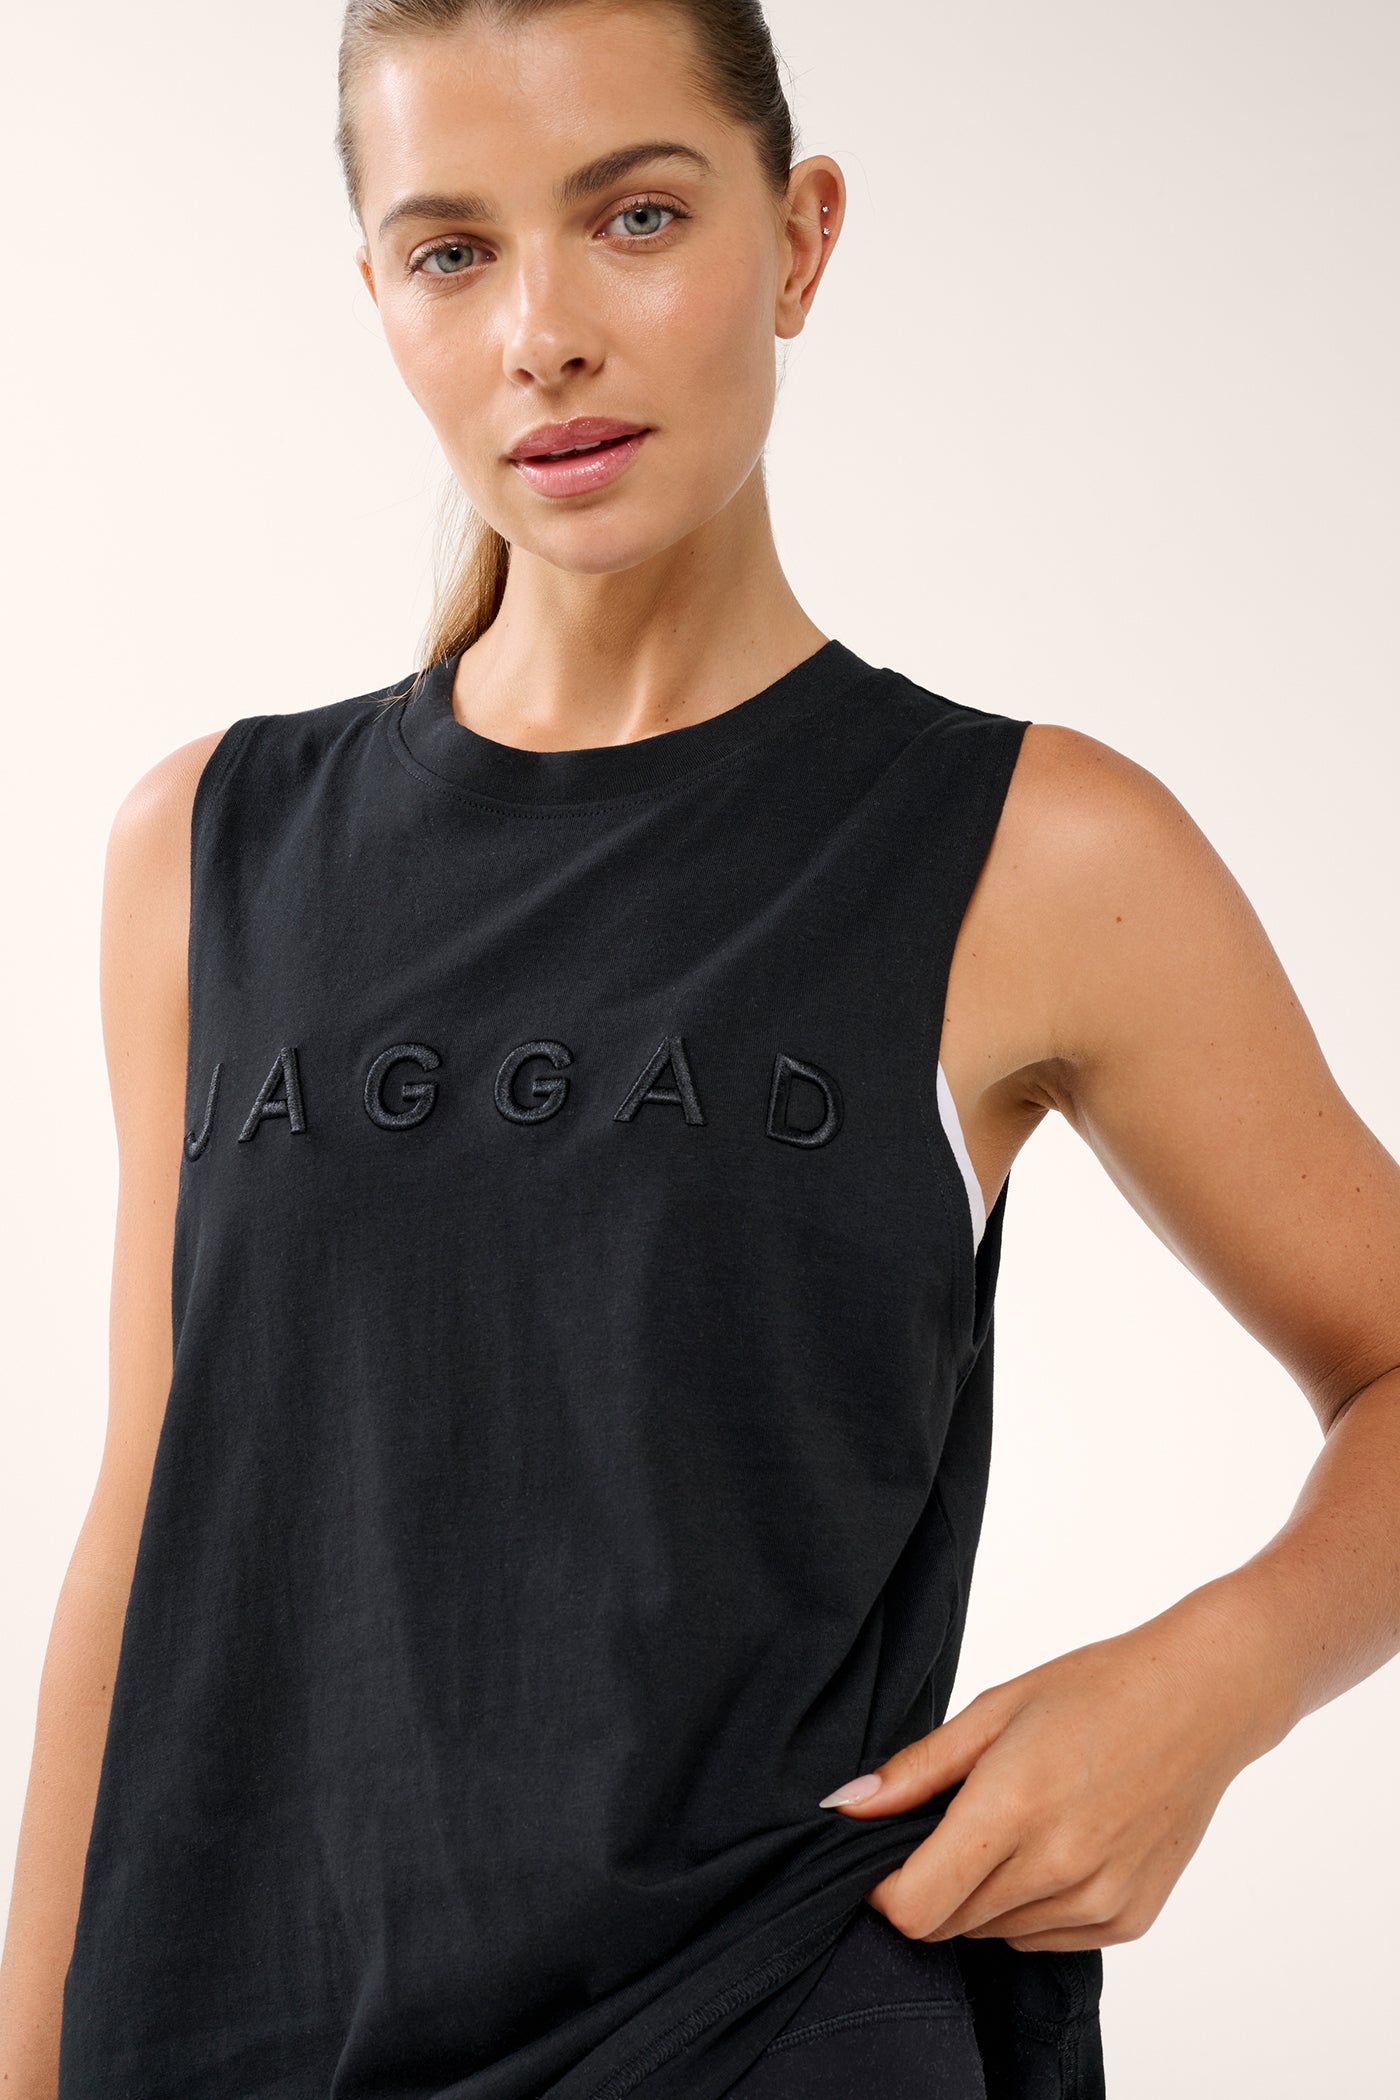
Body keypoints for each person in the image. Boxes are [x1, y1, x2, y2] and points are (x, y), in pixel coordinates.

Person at [3, 1, 1399, 2095]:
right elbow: (149, 1522)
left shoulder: (1033, 848)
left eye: (636, 216)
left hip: (763, 2025)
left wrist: (1212, 1684)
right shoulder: (201, 849)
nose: (543, 335)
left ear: (801, 238)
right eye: (452, 250)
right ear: (377, 295)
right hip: (221, 2039)